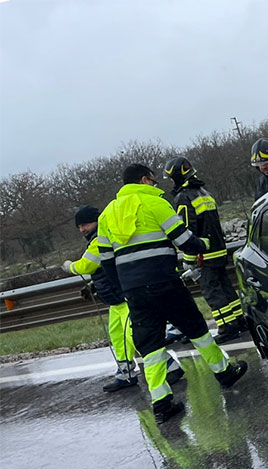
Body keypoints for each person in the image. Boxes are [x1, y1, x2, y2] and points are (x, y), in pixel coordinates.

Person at [97, 164, 248, 423]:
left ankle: (162, 403)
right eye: (154, 181)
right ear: (145, 180)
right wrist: (206, 243)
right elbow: (184, 239)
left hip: (134, 291)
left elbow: (106, 259)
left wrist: (124, 287)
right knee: (196, 328)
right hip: (164, 282)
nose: (157, 186)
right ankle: (223, 372)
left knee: (151, 346)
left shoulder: (107, 214)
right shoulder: (155, 203)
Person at [164, 156, 246, 343]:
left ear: (176, 176)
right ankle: (240, 321)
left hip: (204, 253)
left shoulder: (183, 197)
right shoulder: (203, 192)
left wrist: (189, 260)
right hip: (219, 250)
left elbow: (187, 231)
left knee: (212, 292)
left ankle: (227, 327)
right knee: (226, 288)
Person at [63, 205, 138, 392]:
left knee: (134, 336)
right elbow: (103, 268)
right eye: (79, 226)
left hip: (124, 297)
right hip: (115, 299)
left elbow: (87, 265)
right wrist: (93, 285)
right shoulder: (98, 238)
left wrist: (69, 267)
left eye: (86, 224)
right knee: (117, 337)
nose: (82, 229)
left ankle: (169, 366)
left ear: (97, 220)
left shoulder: (100, 238)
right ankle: (125, 373)